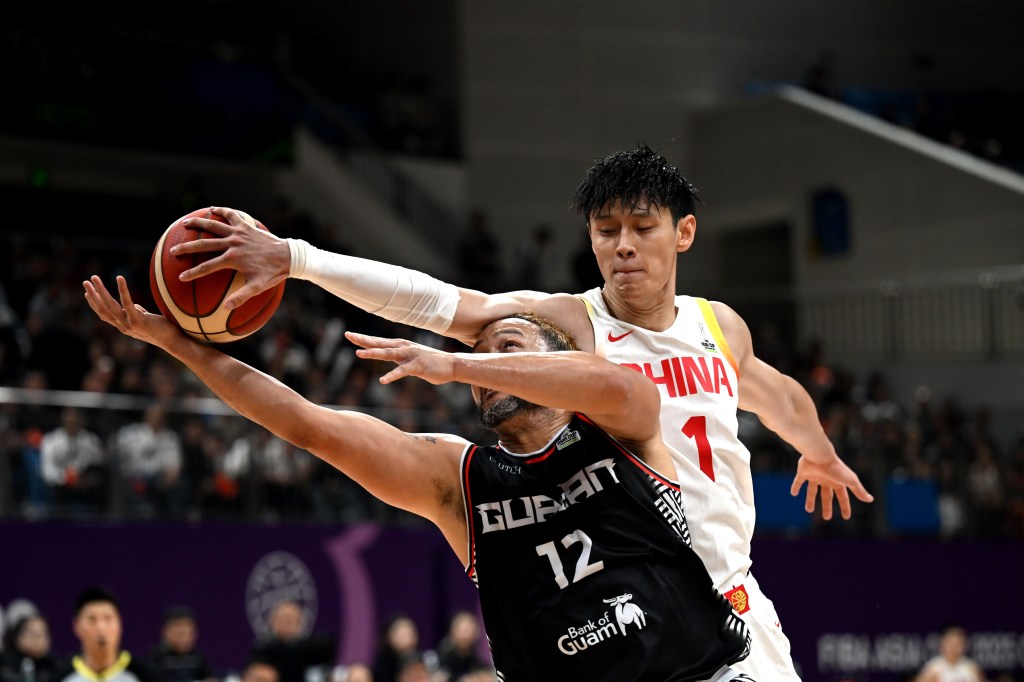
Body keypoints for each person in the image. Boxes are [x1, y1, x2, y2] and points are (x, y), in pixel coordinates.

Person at [170, 145, 875, 679]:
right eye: (605, 231)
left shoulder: (718, 325)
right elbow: (441, 304)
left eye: (641, 227)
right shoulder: (571, 323)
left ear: (683, 233)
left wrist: (815, 446)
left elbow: (772, 391)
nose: (622, 245)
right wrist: (296, 258)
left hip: (732, 600)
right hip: (641, 589)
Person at [84, 275, 751, 681]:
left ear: (556, 361)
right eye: (480, 357)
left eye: (508, 349)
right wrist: (175, 343)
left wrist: (460, 364)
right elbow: (304, 423)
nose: (488, 363)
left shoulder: (622, 424)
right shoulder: (458, 479)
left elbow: (605, 381)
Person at [53, 586, 165, 682]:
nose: (101, 627)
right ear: (76, 626)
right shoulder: (60, 677)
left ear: (120, 624)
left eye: (108, 618)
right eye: (92, 619)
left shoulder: (147, 676)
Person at [249, 602, 334, 682]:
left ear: (300, 623)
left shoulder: (312, 647)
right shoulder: (263, 648)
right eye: (283, 618)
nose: (287, 623)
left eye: (291, 619)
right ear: (272, 622)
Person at [146, 606, 216, 682]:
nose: (181, 631)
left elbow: (210, 678)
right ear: (165, 631)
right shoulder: (156, 657)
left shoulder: (198, 656)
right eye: (176, 626)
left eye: (186, 626)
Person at [0, 614, 60, 682]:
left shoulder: (53, 663)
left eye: (45, 635)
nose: (42, 640)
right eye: (36, 635)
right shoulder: (4, 663)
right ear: (19, 638)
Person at [914, 626, 984, 682]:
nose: (955, 648)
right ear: (943, 645)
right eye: (952, 644)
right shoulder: (933, 668)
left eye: (959, 644)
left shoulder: (971, 668)